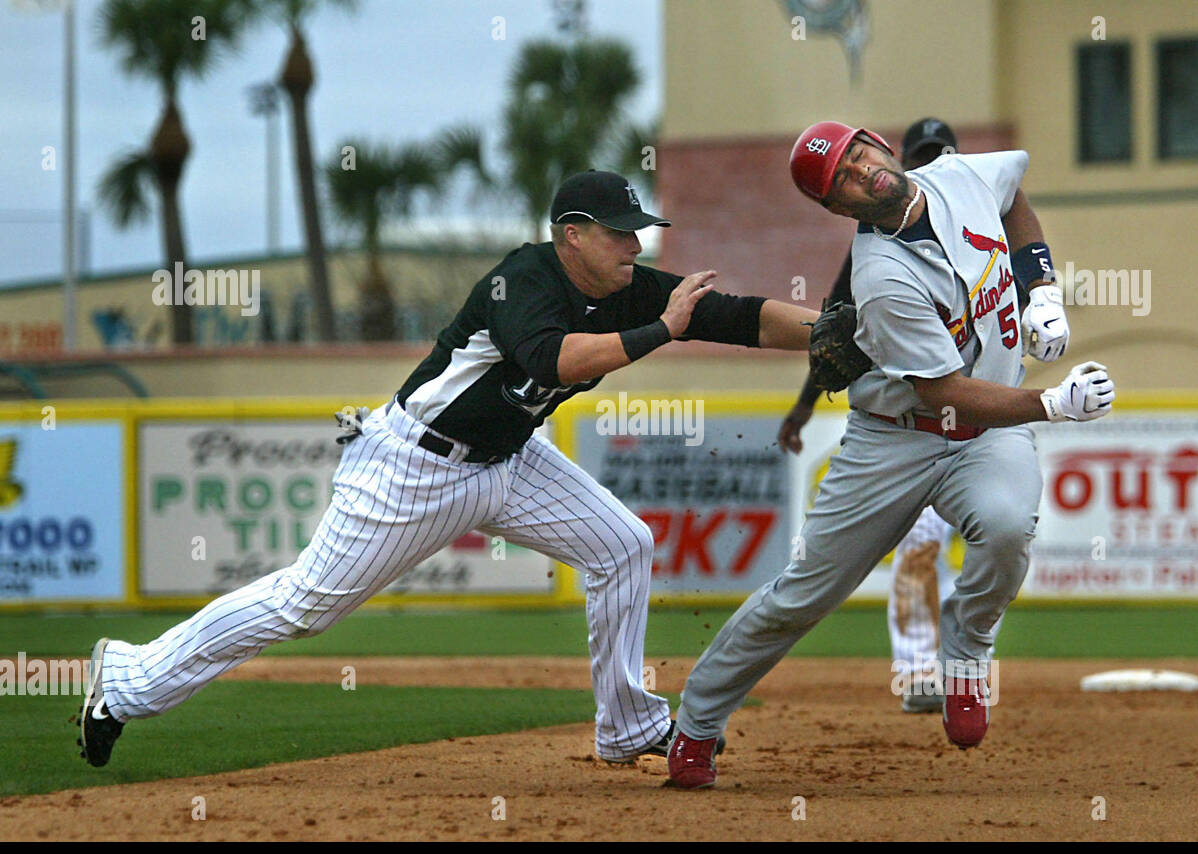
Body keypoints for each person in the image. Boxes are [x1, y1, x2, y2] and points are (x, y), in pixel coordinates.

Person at [77, 170, 818, 768]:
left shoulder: (628, 287)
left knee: (623, 544)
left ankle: (627, 727)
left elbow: (740, 316)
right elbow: (553, 359)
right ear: (572, 236)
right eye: (620, 232)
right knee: (305, 605)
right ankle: (127, 680)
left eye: (638, 231)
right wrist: (662, 330)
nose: (634, 244)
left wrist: (836, 331)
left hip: (512, 458)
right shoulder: (520, 282)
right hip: (415, 464)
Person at [666, 122, 1112, 789]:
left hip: (987, 437)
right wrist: (1053, 404)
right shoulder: (881, 277)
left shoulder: (960, 178)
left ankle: (966, 652)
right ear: (838, 209)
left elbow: (1014, 191)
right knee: (803, 596)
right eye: (840, 178)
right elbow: (946, 394)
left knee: (1007, 527)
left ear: (882, 145)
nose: (859, 170)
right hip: (896, 437)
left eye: (858, 152)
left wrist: (1039, 284)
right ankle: (697, 723)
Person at [777, 117, 969, 714]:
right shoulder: (874, 249)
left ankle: (965, 671)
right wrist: (804, 406)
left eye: (944, 153)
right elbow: (832, 335)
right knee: (918, 552)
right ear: (904, 156)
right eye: (926, 153)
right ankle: (917, 675)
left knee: (1002, 537)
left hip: (976, 420)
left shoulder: (971, 212)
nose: (936, 160)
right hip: (904, 427)